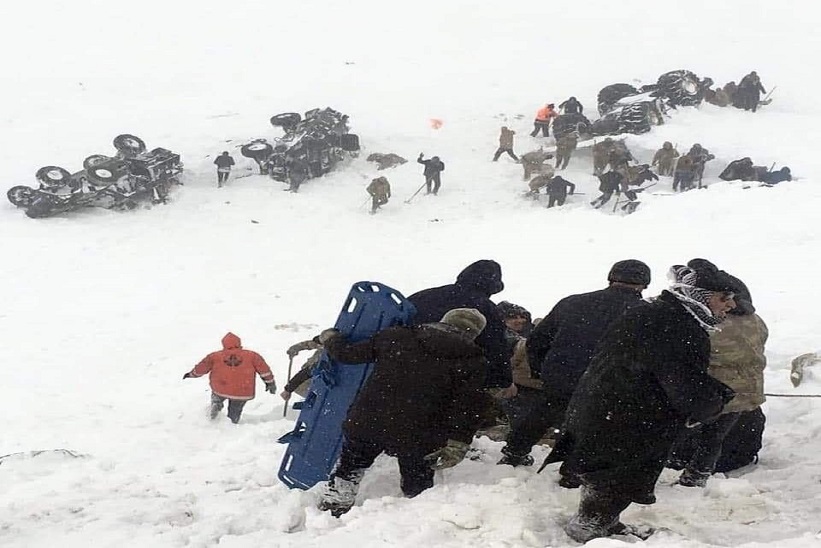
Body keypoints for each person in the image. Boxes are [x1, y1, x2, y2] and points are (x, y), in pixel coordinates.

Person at [542, 264, 737, 543]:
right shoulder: (675, 324)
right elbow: (681, 380)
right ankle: (588, 531)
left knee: (606, 473)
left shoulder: (655, 312)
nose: (730, 305)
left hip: (609, 407)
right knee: (616, 479)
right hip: (629, 417)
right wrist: (710, 404)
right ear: (699, 296)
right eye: (723, 297)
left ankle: (603, 523)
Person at [316, 308, 488, 517]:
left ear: (443, 320)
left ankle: (334, 506)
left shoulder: (396, 336)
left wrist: (331, 339)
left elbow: (348, 354)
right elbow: (467, 407)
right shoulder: (472, 360)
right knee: (418, 481)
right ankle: (412, 520)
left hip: (368, 420)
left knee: (351, 465)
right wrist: (458, 443)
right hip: (419, 433)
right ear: (473, 334)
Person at [498, 260, 651, 467]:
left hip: (562, 373)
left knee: (545, 412)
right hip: (608, 380)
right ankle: (573, 470)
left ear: (611, 277)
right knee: (596, 424)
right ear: (644, 284)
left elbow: (537, 340)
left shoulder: (572, 302)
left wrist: (541, 370)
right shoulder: (646, 313)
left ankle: (514, 452)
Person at [674, 259, 768, 488]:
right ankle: (699, 473)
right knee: (716, 436)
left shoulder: (707, 324)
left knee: (700, 431)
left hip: (715, 398)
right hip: (747, 398)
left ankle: (692, 473)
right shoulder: (755, 321)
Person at [408, 260, 516, 402]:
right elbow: (495, 348)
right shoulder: (487, 309)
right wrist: (502, 380)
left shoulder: (422, 296)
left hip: (403, 369)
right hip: (448, 382)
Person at [182, 333, 277, 424]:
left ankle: (214, 413)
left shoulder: (215, 356)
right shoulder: (252, 356)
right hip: (241, 391)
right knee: (235, 409)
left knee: (217, 398)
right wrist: (270, 383)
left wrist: (191, 374)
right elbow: (265, 371)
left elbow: (201, 368)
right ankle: (232, 422)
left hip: (220, 387)